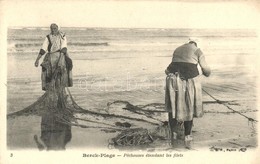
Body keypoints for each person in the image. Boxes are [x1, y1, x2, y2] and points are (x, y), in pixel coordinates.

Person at [165, 38, 211, 149]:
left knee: (173, 107)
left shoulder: (177, 49)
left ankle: (174, 133)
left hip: (172, 79)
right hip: (189, 81)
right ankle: (187, 135)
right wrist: (205, 73)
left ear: (188, 42)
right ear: (195, 43)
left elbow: (167, 70)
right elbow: (206, 70)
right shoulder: (197, 50)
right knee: (189, 106)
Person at [34, 23, 72, 91]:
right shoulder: (48, 37)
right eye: (51, 28)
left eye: (55, 28)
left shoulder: (62, 36)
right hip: (50, 56)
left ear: (58, 28)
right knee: (47, 72)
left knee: (62, 72)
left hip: (60, 55)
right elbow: (43, 49)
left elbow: (64, 48)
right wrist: (37, 59)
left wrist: (61, 59)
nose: (53, 30)